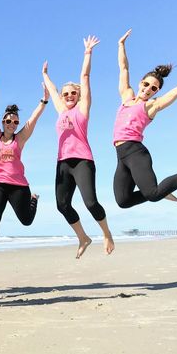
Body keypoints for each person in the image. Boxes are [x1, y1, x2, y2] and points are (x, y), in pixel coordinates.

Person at [113, 29, 177, 208]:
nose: (148, 89)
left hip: (135, 152)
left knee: (153, 194)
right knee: (123, 201)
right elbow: (123, 68)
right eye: (146, 84)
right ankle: (163, 190)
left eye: (153, 88)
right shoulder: (127, 96)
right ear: (141, 82)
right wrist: (121, 45)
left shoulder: (152, 106)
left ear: (157, 92)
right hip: (120, 155)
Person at [42, 36, 114, 259]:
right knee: (62, 205)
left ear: (79, 95)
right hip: (63, 163)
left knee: (90, 202)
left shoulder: (82, 109)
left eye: (73, 93)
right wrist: (45, 75)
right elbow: (53, 91)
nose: (69, 96)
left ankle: (106, 233)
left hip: (82, 160)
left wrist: (88, 53)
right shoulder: (61, 110)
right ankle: (83, 237)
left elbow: (84, 77)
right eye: (66, 94)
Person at [0, 74, 48, 264]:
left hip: (18, 186)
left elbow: (33, 119)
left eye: (15, 122)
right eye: (8, 121)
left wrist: (44, 100)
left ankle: (33, 199)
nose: (12, 124)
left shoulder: (21, 138)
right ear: (3, 122)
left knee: (26, 221)